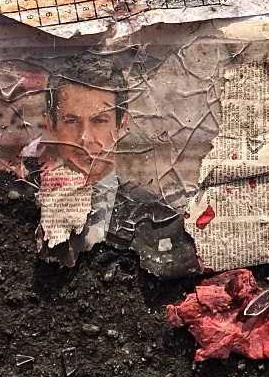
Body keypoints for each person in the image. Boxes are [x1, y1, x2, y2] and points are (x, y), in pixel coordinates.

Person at [37, 51, 201, 279]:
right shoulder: (24, 210)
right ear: (51, 125)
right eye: (71, 121)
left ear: (121, 125)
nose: (85, 138)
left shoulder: (163, 221)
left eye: (99, 120)